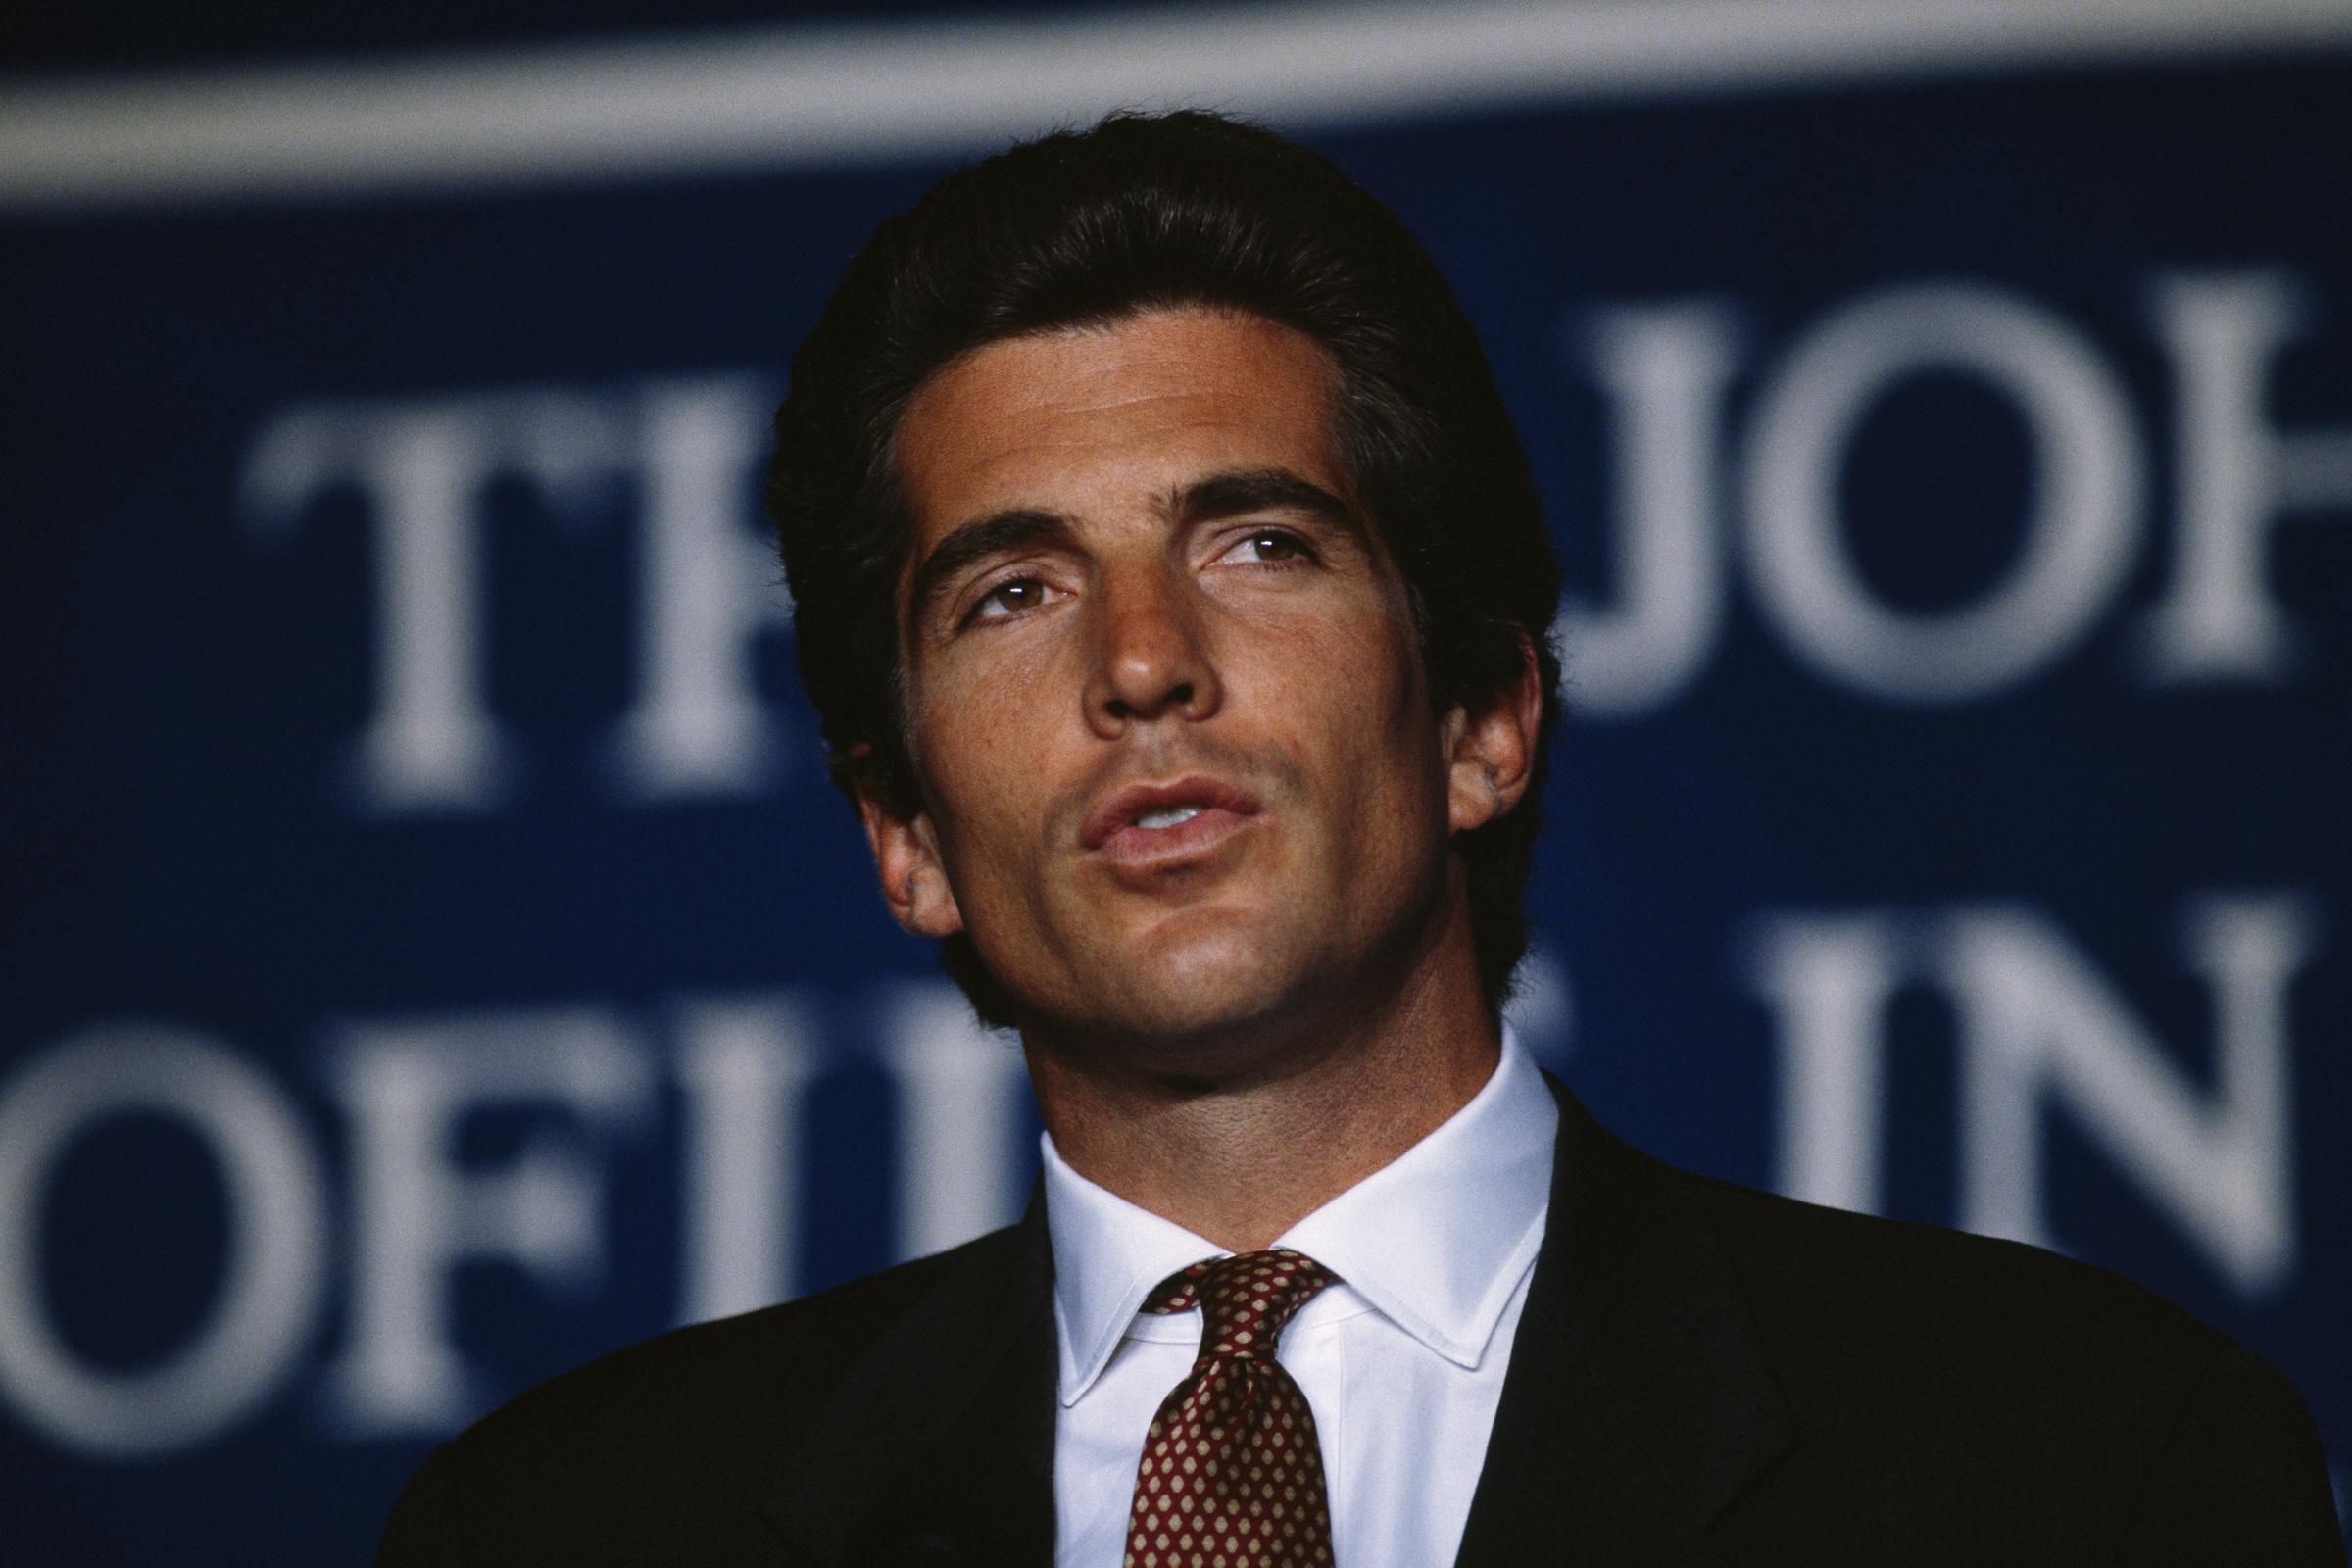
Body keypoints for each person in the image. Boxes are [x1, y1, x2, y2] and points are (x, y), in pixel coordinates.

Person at [376, 110, 2343, 1568]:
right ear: (905, 833)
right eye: (1011, 593)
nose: (1145, 661)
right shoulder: (566, 1524)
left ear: (1484, 715)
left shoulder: (2084, 1466)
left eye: (1257, 543)